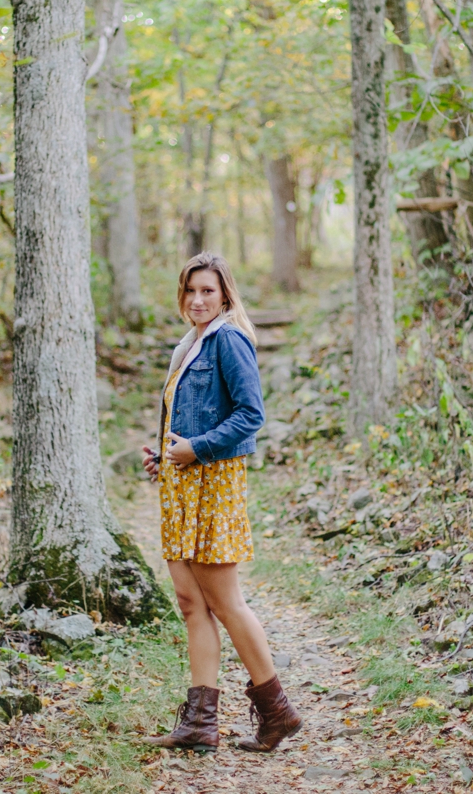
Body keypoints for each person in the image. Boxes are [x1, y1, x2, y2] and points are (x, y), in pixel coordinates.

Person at [139, 253, 301, 754]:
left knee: (226, 602)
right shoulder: (189, 345)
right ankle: (199, 724)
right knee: (191, 604)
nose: (197, 300)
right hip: (182, 483)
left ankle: (277, 712)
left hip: (215, 484)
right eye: (190, 291)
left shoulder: (228, 339)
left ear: (225, 293)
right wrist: (164, 452)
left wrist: (197, 448)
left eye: (207, 290)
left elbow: (251, 415)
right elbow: (186, 418)